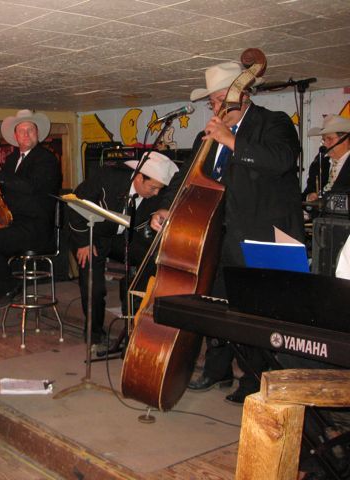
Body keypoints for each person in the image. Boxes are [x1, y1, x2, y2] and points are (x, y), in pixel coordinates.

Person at [151, 61, 304, 404]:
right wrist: (166, 207)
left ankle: (256, 380)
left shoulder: (273, 122)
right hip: (216, 237)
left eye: (222, 99)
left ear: (243, 95)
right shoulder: (206, 136)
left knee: (258, 315)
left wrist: (231, 140)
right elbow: (185, 178)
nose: (217, 107)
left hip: (262, 237)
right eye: (213, 102)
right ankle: (217, 369)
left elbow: (282, 160)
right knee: (216, 307)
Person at [68, 152, 178, 348]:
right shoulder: (107, 177)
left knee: (151, 260)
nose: (156, 193)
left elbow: (162, 206)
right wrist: (83, 242)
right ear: (139, 178)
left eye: (159, 189)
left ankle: (134, 322)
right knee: (93, 284)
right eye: (152, 188)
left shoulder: (157, 194)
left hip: (124, 237)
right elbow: (75, 204)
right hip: (93, 234)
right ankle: (94, 332)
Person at [0, 109, 62, 309]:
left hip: (35, 227)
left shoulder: (46, 159)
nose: (26, 134)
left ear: (37, 133)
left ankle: (8, 288)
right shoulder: (12, 159)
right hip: (15, 223)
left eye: (30, 130)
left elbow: (29, 186)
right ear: (15, 136)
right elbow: (10, 184)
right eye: (21, 131)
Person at [303, 114, 350, 202]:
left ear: (345, 139)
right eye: (324, 140)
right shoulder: (320, 162)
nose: (325, 144)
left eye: (330, 139)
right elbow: (308, 190)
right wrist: (310, 196)